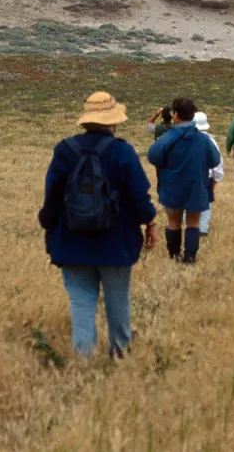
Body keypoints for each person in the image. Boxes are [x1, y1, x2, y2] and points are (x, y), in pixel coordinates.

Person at [38, 91, 158, 358]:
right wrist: (150, 222)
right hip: (116, 244)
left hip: (71, 242)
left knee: (81, 302)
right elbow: (139, 196)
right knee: (118, 300)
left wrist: (49, 228)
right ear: (113, 122)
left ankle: (83, 357)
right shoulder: (123, 151)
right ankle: (120, 351)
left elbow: (52, 198)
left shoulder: (64, 150)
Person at [146, 98, 221, 263]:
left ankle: (174, 256)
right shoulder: (203, 139)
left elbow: (152, 156)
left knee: (174, 222)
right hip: (196, 186)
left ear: (176, 115)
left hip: (172, 185)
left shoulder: (167, 137)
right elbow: (215, 160)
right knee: (193, 222)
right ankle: (190, 257)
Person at [191, 111, 225, 235]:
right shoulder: (211, 142)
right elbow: (218, 163)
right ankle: (202, 229)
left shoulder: (186, 140)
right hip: (206, 178)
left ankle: (189, 227)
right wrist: (216, 179)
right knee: (205, 204)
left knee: (187, 203)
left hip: (188, 177)